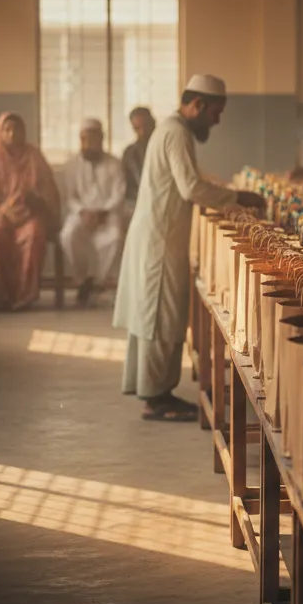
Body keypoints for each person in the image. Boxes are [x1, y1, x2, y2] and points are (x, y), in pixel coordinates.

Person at [113, 74, 265, 421]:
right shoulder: (176, 132)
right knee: (159, 315)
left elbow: (191, 178)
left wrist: (224, 192)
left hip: (161, 233)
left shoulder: (172, 130)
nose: (217, 120)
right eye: (215, 112)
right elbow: (191, 188)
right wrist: (239, 197)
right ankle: (157, 398)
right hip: (160, 238)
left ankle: (154, 391)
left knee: (157, 313)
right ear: (196, 105)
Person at [0, 112, 61, 311]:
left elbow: (48, 190)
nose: (12, 134)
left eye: (17, 129)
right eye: (7, 130)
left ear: (24, 132)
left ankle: (25, 295)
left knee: (34, 235)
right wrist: (2, 209)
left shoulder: (34, 156)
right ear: (0, 132)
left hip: (29, 212)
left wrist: (35, 202)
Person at [60, 118, 127, 306]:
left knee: (114, 238)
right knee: (68, 235)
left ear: (102, 139)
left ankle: (98, 282)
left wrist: (102, 213)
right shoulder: (71, 165)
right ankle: (83, 280)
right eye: (85, 139)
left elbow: (118, 194)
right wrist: (83, 212)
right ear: (80, 140)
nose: (89, 144)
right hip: (81, 215)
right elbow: (70, 197)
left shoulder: (114, 163)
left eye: (94, 139)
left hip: (107, 214)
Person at [122, 106, 156, 214]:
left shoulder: (165, 147)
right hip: (137, 205)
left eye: (146, 126)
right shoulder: (129, 153)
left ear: (154, 123)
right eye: (137, 128)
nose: (143, 132)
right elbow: (127, 187)